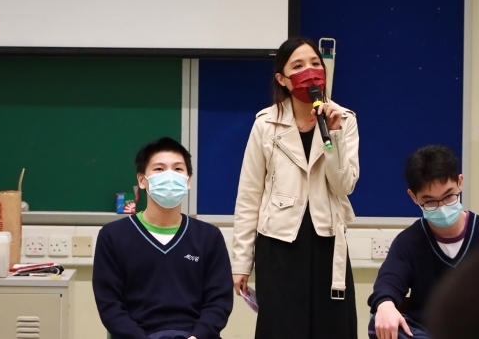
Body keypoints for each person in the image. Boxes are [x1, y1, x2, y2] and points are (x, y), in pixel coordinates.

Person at [232, 37, 359, 339]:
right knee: (282, 329)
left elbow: (344, 185)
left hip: (328, 241)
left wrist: (334, 136)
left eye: (315, 64)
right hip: (278, 244)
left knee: (333, 329)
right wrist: (241, 262)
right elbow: (249, 196)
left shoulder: (344, 120)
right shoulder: (266, 123)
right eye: (298, 66)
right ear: (283, 79)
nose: (310, 72)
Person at [92, 137, 233, 339]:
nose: (169, 176)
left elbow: (219, 302)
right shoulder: (113, 236)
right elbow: (109, 305)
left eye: (178, 169)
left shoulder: (209, 236)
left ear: (188, 181)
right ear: (142, 180)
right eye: (159, 169)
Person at [367, 144, 479, 339]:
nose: (442, 208)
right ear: (413, 196)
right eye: (430, 201)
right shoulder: (409, 242)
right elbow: (389, 282)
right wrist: (385, 305)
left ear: (460, 182)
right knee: (379, 322)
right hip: (427, 332)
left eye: (449, 196)